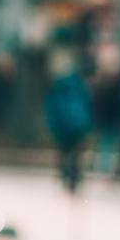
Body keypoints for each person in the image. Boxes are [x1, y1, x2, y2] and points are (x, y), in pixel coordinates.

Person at [44, 56, 94, 193]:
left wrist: (52, 125)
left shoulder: (60, 86)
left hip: (63, 128)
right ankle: (73, 176)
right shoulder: (80, 87)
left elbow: (51, 107)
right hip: (78, 127)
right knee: (76, 154)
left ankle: (66, 174)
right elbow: (87, 106)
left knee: (65, 153)